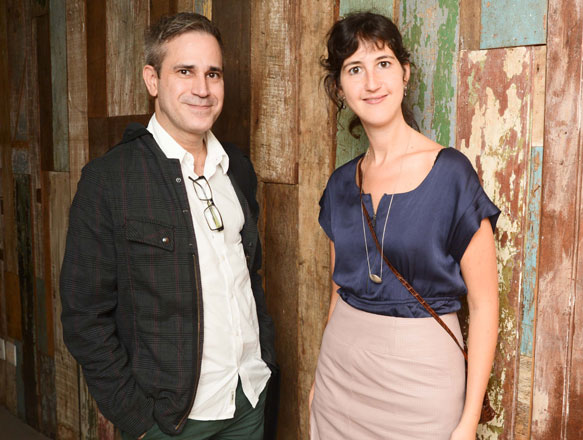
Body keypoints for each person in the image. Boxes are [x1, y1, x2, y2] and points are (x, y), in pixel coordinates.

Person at [60, 12, 276, 440]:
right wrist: (138, 422)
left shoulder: (237, 169)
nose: (203, 88)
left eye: (213, 74)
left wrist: (265, 359)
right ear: (152, 80)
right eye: (185, 71)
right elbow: (84, 317)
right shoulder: (109, 180)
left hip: (248, 399)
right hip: (170, 421)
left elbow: (248, 277)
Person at [309, 12, 500, 440]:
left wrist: (468, 420)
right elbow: (339, 290)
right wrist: (319, 383)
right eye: (354, 69)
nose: (371, 82)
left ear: (405, 72)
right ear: (339, 88)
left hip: (422, 382)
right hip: (340, 376)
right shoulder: (340, 184)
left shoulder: (451, 174)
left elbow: (485, 304)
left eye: (383, 63)